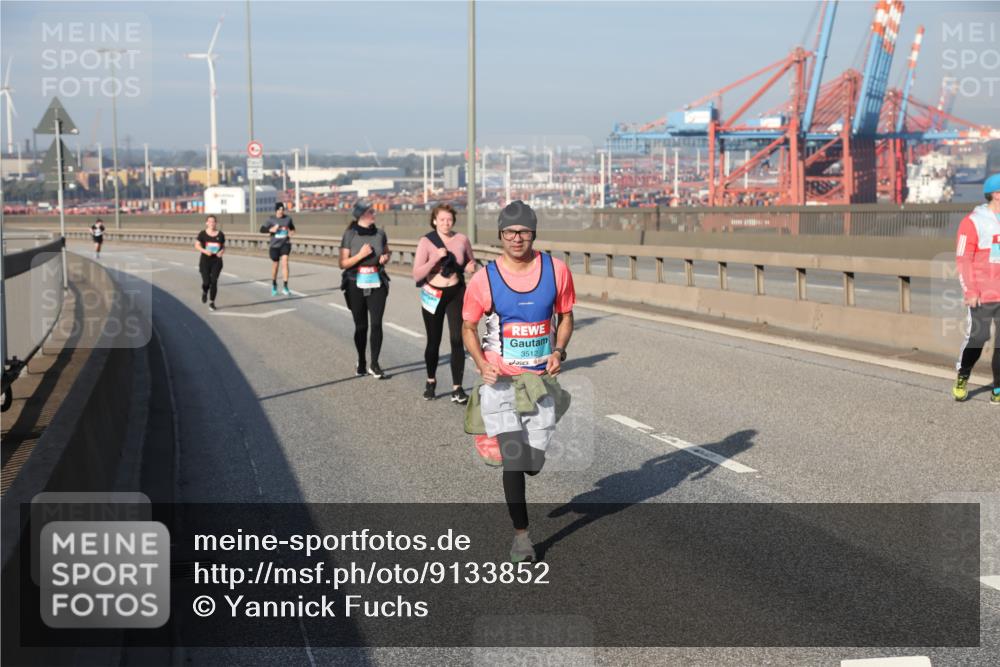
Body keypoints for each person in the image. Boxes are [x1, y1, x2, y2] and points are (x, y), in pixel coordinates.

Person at [462, 200, 576, 562]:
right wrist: (482, 363)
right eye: (510, 232)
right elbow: (468, 326)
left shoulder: (556, 271)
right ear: (500, 235)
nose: (516, 238)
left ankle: (522, 452)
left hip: (539, 382)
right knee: (513, 461)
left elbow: (567, 315)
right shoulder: (485, 279)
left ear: (533, 234)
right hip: (501, 383)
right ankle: (522, 539)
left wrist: (559, 350)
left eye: (523, 231)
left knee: (532, 463)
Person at [412, 203, 477, 403]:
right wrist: (434, 260)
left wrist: (470, 266)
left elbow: (468, 261)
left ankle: (457, 388)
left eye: (449, 219)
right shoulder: (426, 242)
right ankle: (431, 381)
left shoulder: (461, 239)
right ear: (434, 221)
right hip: (433, 293)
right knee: (434, 340)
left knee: (458, 339)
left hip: (456, 292)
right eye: (442, 219)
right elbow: (416, 274)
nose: (446, 223)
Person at [952, 173, 1000, 405]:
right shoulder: (973, 222)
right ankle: (963, 375)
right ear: (995, 194)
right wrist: (970, 290)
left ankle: (998, 389)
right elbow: (963, 259)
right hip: (981, 294)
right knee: (978, 338)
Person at [340, 201, 391, 379]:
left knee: (376, 324)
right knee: (361, 326)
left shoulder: (380, 233)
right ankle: (361, 360)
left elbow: (387, 252)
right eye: (370, 212)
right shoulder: (349, 235)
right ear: (361, 215)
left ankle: (375, 364)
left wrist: (385, 258)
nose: (374, 214)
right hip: (355, 283)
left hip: (377, 282)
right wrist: (361, 255)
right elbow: (343, 263)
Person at [195, 215, 225, 311]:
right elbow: (197, 245)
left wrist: (221, 252)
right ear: (206, 223)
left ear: (216, 223)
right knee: (206, 282)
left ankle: (212, 302)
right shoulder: (202, 234)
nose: (212, 223)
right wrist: (205, 251)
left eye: (213, 221)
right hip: (205, 261)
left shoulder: (220, 234)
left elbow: (223, 246)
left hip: (216, 261)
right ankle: (204, 291)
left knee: (214, 281)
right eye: (210, 221)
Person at [266, 202, 296, 296]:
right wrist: (271, 230)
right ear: (276, 210)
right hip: (274, 246)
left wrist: (291, 232)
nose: (281, 211)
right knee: (275, 265)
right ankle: (274, 284)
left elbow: (292, 228)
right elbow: (262, 229)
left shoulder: (288, 219)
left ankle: (285, 287)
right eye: (279, 210)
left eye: (282, 209)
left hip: (285, 244)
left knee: (285, 261)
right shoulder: (271, 219)